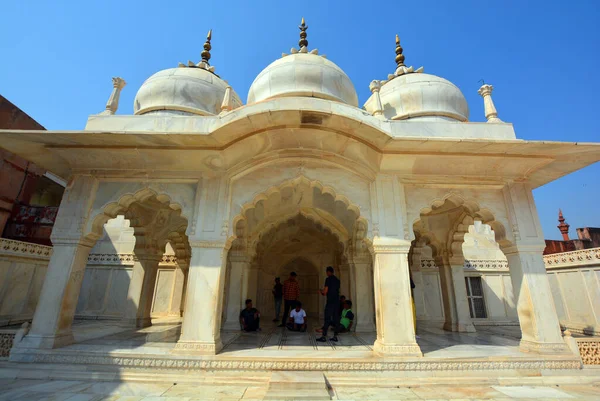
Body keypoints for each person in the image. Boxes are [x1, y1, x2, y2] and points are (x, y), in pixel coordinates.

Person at [316, 266, 340, 342]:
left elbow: (325, 291)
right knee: (336, 319)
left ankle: (323, 336)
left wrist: (320, 291)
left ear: (328, 272)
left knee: (327, 319)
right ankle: (335, 336)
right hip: (337, 302)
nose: (326, 273)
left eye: (327, 272)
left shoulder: (328, 279)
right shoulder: (337, 280)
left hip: (330, 302)